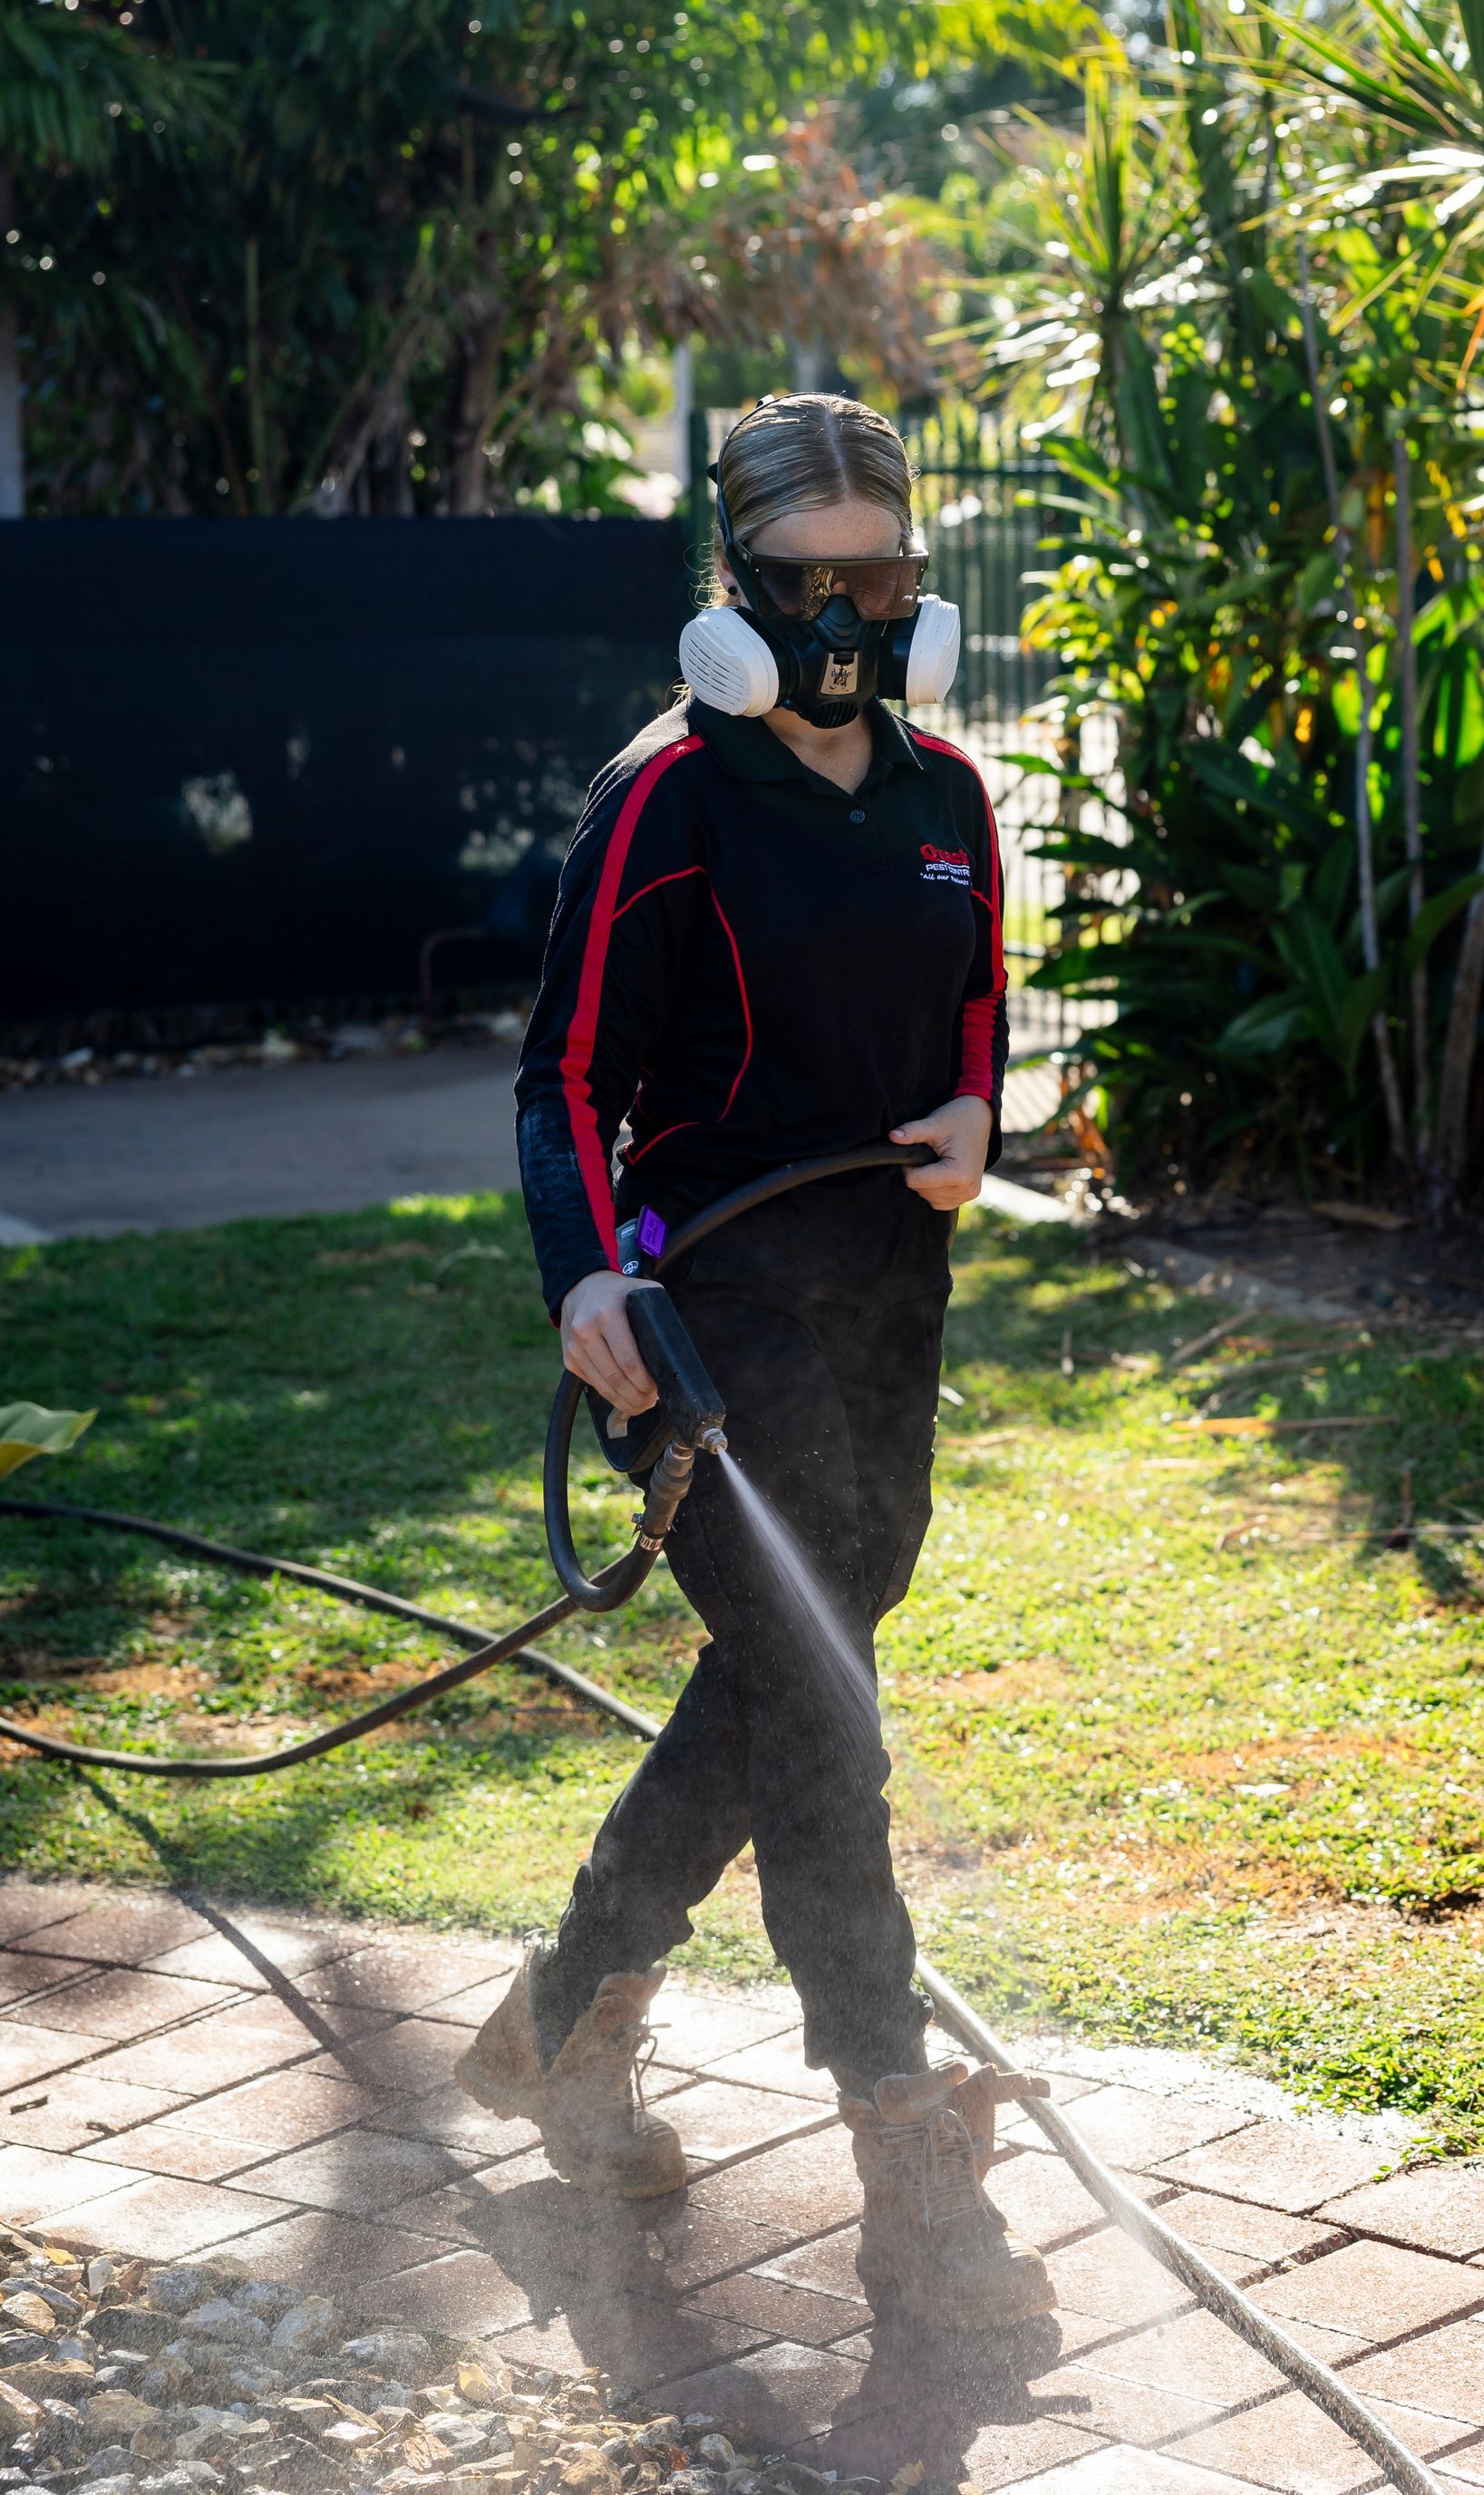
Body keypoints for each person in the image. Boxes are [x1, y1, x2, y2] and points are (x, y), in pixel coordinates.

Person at [456, 392, 1053, 2331]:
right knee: (821, 1693)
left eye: (883, 577)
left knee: (804, 1653)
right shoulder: (668, 795)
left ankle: (568, 2010)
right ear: (738, 591)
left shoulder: (953, 799)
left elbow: (975, 1028)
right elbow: (561, 1077)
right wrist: (585, 1287)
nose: (852, 619)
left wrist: (982, 1120)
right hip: (701, 1313)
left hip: (893, 1298)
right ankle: (899, 2132)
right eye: (811, 583)